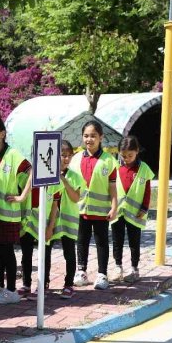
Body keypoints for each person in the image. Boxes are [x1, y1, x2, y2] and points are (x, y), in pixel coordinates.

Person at [0, 116, 31, 305]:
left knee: (7, 251)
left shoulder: (14, 155)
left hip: (9, 213)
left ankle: (11, 291)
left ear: (2, 134)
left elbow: (32, 172)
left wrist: (22, 196)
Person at [70, 120, 119, 291]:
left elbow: (113, 187)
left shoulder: (109, 161)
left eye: (93, 136)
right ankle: (81, 272)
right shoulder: (75, 159)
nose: (89, 139)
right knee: (81, 241)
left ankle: (102, 274)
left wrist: (114, 207)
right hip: (80, 210)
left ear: (101, 137)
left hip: (101, 212)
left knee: (101, 242)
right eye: (86, 136)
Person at [110, 136, 153, 284]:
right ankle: (118, 266)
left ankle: (134, 268)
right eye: (123, 156)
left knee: (134, 242)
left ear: (137, 152)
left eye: (130, 155)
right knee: (117, 240)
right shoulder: (115, 167)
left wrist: (145, 207)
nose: (127, 159)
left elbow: (147, 191)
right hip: (118, 211)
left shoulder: (144, 169)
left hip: (136, 213)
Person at [47, 140, 84, 299]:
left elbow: (75, 198)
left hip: (68, 221)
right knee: (46, 252)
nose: (66, 159)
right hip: (52, 220)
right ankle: (44, 284)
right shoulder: (47, 174)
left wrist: (64, 180)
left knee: (69, 253)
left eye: (69, 156)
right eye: (63, 155)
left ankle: (69, 284)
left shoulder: (75, 176)